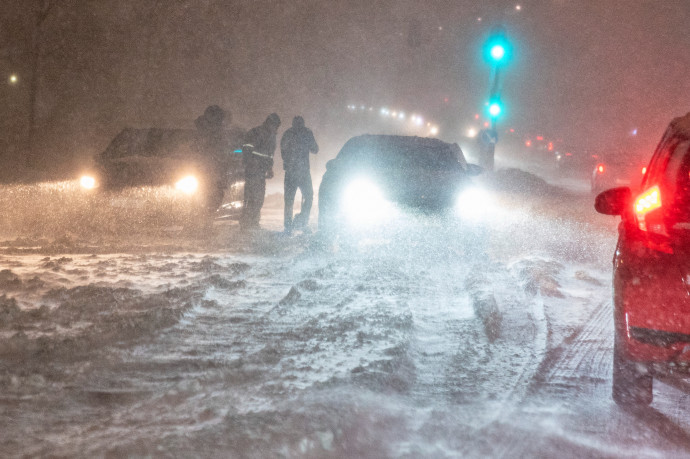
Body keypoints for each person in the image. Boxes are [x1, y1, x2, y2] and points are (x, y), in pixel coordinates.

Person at [239, 113, 281, 230]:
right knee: (251, 197)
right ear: (269, 123)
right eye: (274, 126)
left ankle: (253, 222)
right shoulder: (256, 132)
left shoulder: (272, 136)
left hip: (261, 172)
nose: (275, 129)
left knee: (259, 198)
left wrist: (269, 168)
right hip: (253, 170)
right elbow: (247, 148)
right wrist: (251, 162)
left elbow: (270, 155)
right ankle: (246, 223)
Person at [280, 116, 319, 234]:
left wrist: (288, 162)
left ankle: (288, 225)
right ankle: (302, 220)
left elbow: (283, 150)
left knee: (289, 199)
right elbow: (315, 149)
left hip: (291, 172)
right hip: (303, 172)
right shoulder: (307, 132)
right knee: (308, 196)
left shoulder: (288, 133)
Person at [195, 105, 229, 214]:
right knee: (207, 198)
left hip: (211, 169)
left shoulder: (215, 131)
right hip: (208, 169)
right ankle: (202, 223)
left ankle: (205, 223)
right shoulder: (206, 132)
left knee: (210, 199)